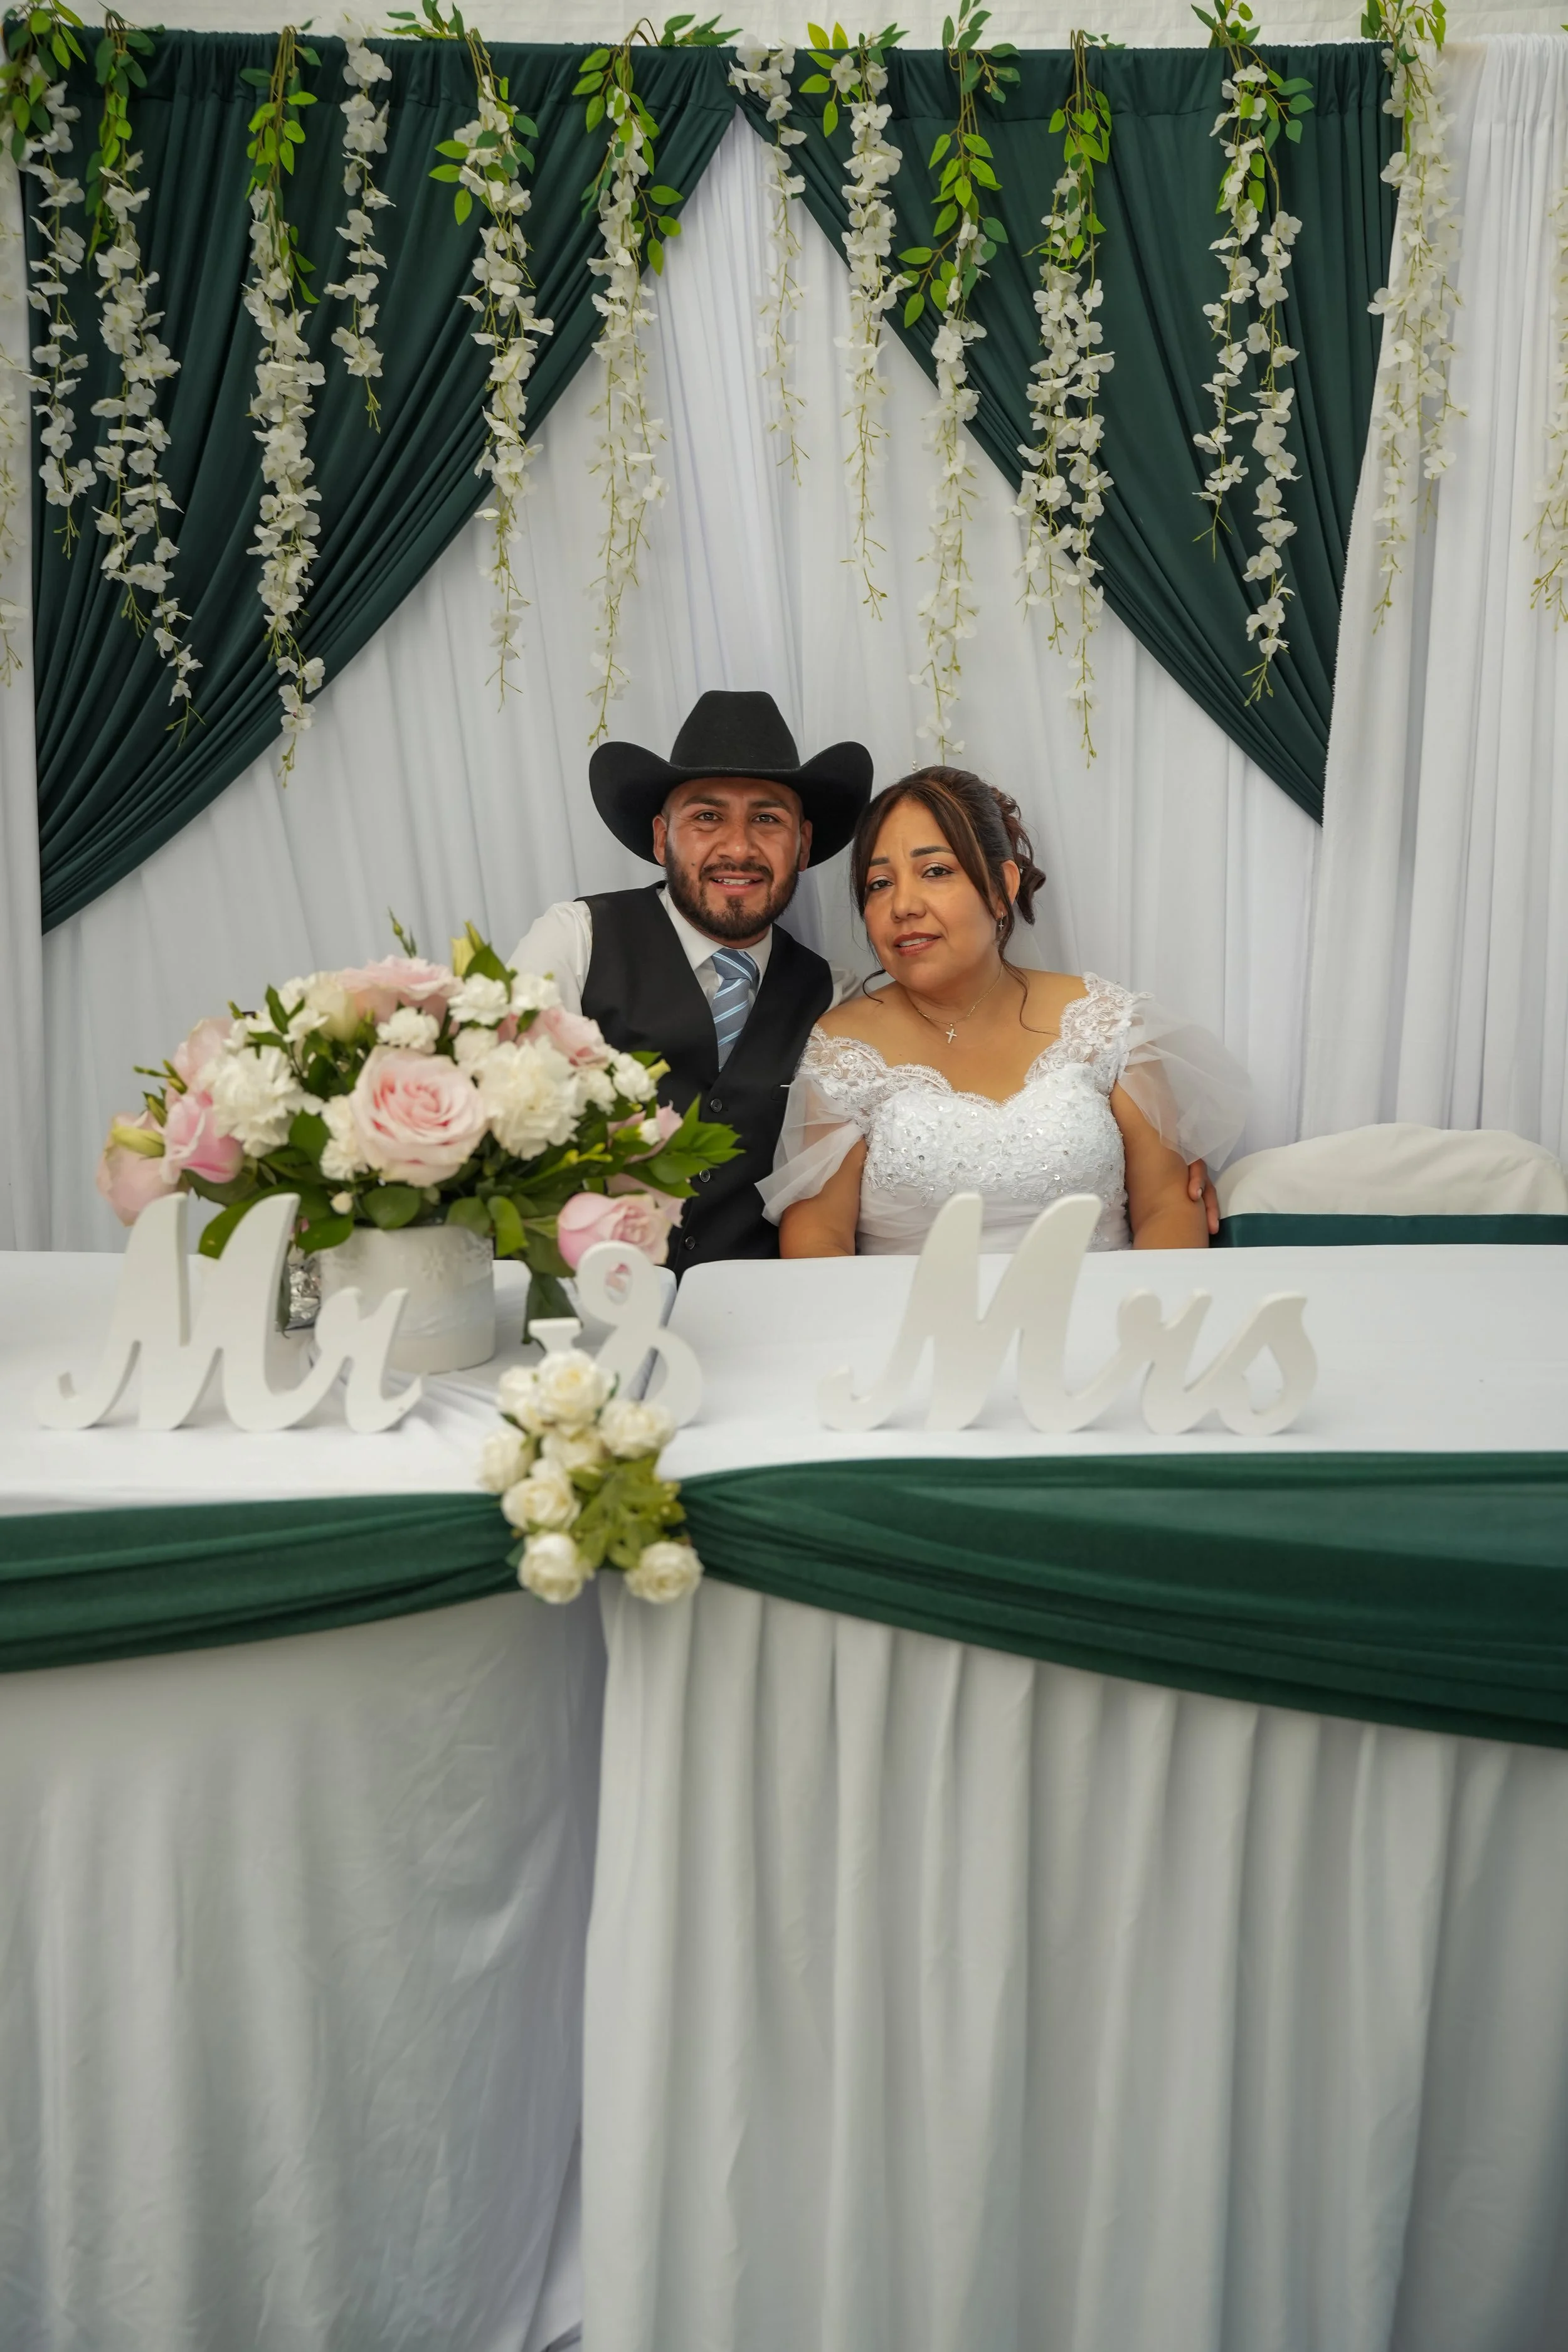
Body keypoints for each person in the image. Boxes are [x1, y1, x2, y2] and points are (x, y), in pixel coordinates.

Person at [763, 767, 1248, 1258]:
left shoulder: (1105, 1022)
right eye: (879, 883)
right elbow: (817, 1237)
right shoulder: (842, 1050)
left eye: (935, 871)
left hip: (1102, 1321)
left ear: (1001, 888)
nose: (902, 905)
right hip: (909, 1329)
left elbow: (1169, 1205)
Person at [511, 689, 872, 1269]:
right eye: (707, 817)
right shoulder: (576, 939)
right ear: (661, 839)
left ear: (803, 845)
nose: (738, 847)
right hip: (578, 1309)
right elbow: (502, 1120)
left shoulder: (839, 996)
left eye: (767, 819)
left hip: (751, 1320)